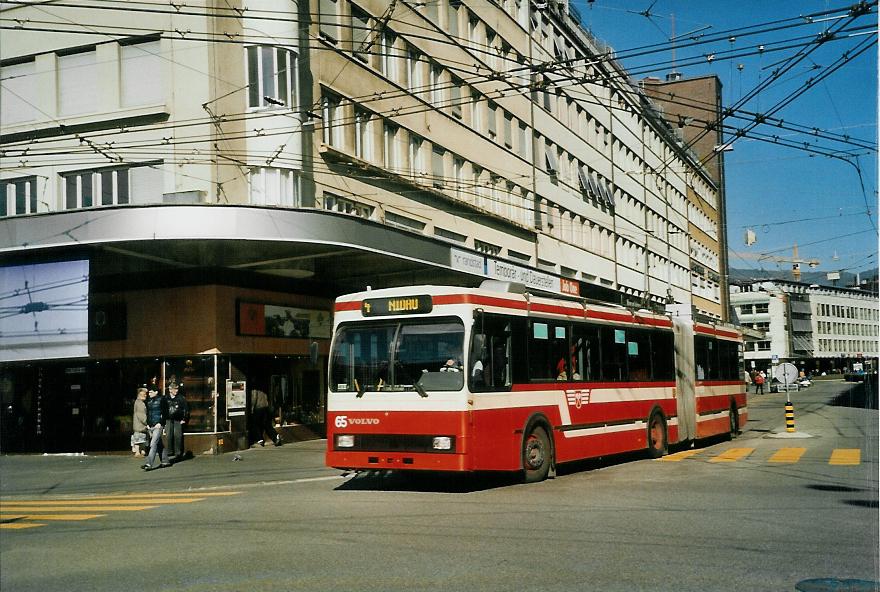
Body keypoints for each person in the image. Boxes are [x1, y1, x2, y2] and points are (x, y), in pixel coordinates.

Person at [161, 382, 188, 464]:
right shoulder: (165, 398)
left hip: (178, 419)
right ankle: (169, 451)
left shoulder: (181, 398)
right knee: (169, 435)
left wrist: (184, 418)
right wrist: (163, 420)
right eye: (174, 389)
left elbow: (185, 409)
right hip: (168, 419)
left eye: (177, 389)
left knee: (178, 435)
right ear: (170, 390)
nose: (176, 390)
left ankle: (178, 452)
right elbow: (163, 409)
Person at [143, 384, 167, 470]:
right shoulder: (148, 401)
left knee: (153, 444)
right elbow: (148, 413)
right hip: (151, 425)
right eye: (148, 392)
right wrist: (148, 424)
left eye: (151, 392)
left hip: (158, 425)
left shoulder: (162, 400)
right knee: (159, 443)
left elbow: (165, 413)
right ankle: (165, 461)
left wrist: (161, 423)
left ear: (156, 392)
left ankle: (149, 463)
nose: (149, 393)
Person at [131, 387, 148, 457]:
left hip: (138, 425)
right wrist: (147, 422)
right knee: (139, 438)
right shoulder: (140, 403)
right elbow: (141, 415)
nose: (145, 396)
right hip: (140, 425)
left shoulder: (138, 402)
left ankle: (142, 451)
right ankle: (138, 452)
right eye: (143, 394)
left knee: (141, 438)